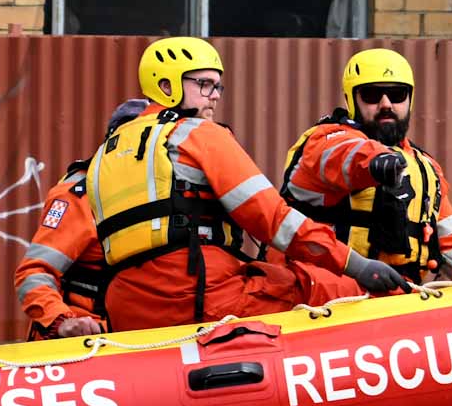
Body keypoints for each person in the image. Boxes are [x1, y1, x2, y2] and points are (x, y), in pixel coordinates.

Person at [86, 37, 407, 332]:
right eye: (204, 84)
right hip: (199, 294)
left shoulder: (104, 156)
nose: (214, 96)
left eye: (217, 87)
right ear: (166, 85)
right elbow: (271, 218)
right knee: (331, 287)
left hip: (126, 307)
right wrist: (357, 265)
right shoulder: (197, 133)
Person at [280, 48, 452, 284]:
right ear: (351, 99)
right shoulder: (326, 140)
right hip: (322, 298)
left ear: (409, 99)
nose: (386, 104)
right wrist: (377, 162)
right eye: (371, 95)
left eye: (397, 94)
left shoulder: (425, 167)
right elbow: (346, 155)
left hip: (398, 299)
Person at [15, 99, 148, 339]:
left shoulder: (162, 196)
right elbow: (33, 273)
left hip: (137, 339)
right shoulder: (79, 195)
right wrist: (62, 321)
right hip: (82, 341)